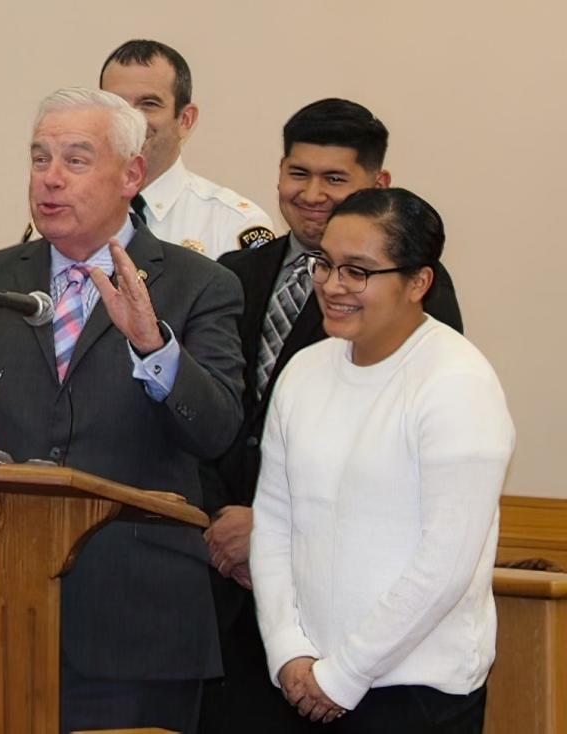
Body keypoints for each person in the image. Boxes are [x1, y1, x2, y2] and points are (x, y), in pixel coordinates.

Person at [0, 87, 245, 733]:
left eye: (76, 160)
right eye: (39, 158)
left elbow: (218, 427)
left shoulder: (201, 286)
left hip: (134, 630)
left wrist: (153, 346)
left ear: (131, 174)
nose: (50, 178)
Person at [199, 98, 465, 733]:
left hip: (345, 624)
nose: (312, 194)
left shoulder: (415, 291)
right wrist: (222, 519)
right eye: (298, 173)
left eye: (334, 179)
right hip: (227, 596)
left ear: (378, 185)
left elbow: (388, 450)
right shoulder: (231, 275)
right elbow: (204, 414)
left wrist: (269, 527)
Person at [250, 187, 515, 731]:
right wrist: (287, 650)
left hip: (413, 692)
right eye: (324, 264)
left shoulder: (455, 382)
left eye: (358, 271)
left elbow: (446, 562)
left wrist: (345, 673)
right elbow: (275, 522)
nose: (332, 285)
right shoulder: (305, 370)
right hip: (304, 680)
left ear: (418, 282)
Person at [98, 39, 275, 258]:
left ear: (185, 120)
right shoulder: (69, 210)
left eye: (149, 104)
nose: (131, 120)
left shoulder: (233, 224)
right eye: (117, 105)